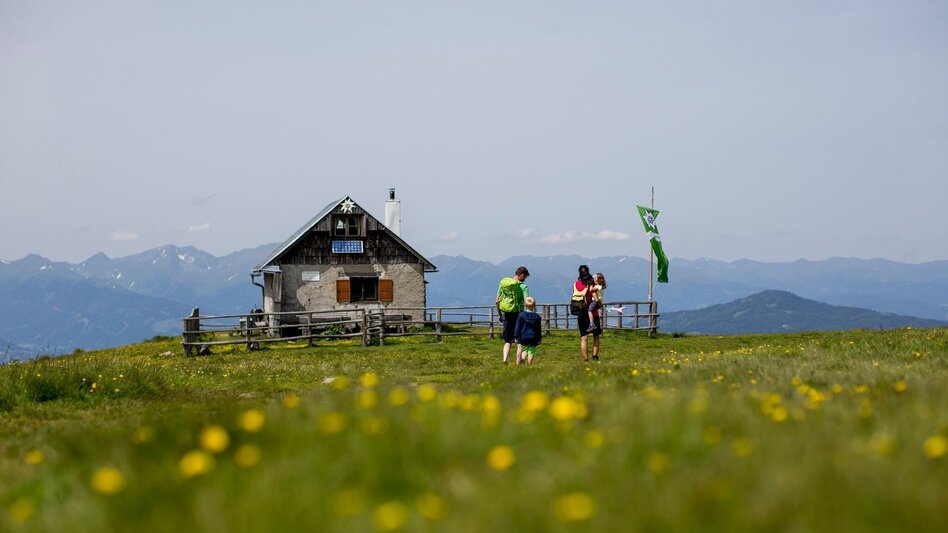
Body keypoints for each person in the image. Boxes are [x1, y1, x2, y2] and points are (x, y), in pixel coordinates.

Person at [496, 266, 530, 364]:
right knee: (519, 340)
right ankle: (518, 362)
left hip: (506, 313)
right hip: (518, 314)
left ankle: (505, 360)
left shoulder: (504, 284)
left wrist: (499, 314)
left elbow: (497, 300)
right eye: (525, 277)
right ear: (522, 275)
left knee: (507, 340)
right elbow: (526, 301)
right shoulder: (523, 286)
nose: (525, 279)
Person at [575, 265, 601, 363]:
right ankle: (595, 356)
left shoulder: (575, 284)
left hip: (581, 313)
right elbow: (596, 297)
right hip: (593, 313)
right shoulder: (591, 283)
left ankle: (586, 360)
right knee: (596, 335)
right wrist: (599, 304)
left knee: (583, 338)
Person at [513, 296, 542, 365]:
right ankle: (529, 365)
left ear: (525, 305)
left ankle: (522, 359)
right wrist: (539, 338)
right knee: (531, 352)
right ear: (534, 306)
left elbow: (518, 327)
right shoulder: (537, 316)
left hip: (524, 336)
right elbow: (538, 328)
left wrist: (516, 336)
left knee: (525, 349)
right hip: (533, 337)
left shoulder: (521, 315)